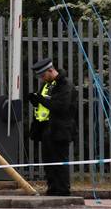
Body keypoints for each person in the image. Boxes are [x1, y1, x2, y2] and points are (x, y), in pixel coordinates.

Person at [27, 57, 78, 196]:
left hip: (60, 129)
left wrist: (41, 100)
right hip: (46, 128)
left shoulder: (65, 85)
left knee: (59, 162)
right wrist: (35, 100)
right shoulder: (47, 85)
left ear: (51, 70)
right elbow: (45, 105)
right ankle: (52, 188)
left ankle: (62, 190)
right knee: (48, 161)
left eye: (43, 75)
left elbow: (60, 106)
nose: (42, 79)